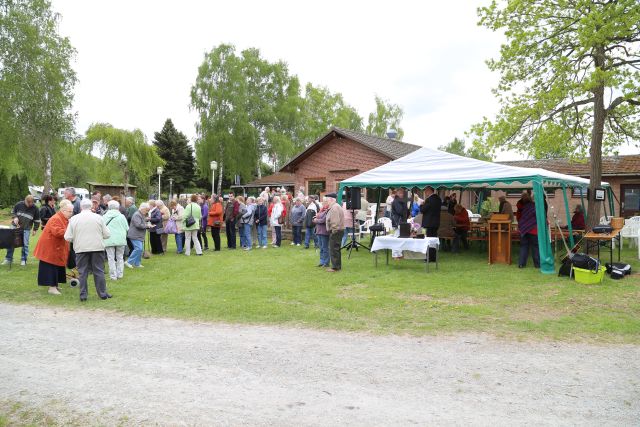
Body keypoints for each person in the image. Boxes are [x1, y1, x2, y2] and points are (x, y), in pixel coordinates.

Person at [64, 198, 111, 301]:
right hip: (97, 247)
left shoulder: (74, 219)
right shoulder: (99, 218)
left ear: (81, 207)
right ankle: (102, 294)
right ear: (91, 207)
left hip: (81, 248)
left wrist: (77, 238)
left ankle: (83, 295)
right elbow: (107, 234)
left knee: (82, 272)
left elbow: (67, 237)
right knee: (99, 270)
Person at [33, 200, 73, 295]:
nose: (71, 214)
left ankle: (56, 285)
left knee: (57, 267)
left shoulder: (63, 218)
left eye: (72, 211)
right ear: (63, 211)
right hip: (50, 248)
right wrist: (70, 231)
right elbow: (57, 232)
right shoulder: (56, 218)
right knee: (51, 267)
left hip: (57, 247)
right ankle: (52, 288)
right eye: (69, 212)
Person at [2, 195, 40, 266]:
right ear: (25, 200)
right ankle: (8, 259)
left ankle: (23, 260)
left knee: (25, 245)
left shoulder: (35, 209)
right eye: (28, 203)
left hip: (26, 229)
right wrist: (15, 217)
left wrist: (35, 229)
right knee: (10, 242)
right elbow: (13, 212)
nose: (29, 205)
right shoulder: (19, 204)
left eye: (31, 203)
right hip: (14, 227)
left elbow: (37, 220)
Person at [103, 200, 129, 281]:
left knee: (111, 258)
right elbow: (127, 228)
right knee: (120, 257)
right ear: (118, 207)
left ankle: (113, 276)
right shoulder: (122, 216)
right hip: (120, 239)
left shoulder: (104, 216)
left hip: (108, 239)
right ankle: (120, 274)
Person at [517, 192, 540, 269]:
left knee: (524, 246)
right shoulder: (534, 206)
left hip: (523, 229)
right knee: (535, 247)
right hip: (533, 230)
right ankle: (537, 264)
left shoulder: (523, 207)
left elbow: (519, 217)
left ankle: (521, 264)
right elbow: (538, 217)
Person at [126, 203, 151, 268]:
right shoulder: (137, 214)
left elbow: (141, 222)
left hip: (138, 235)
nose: (147, 212)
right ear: (142, 209)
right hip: (135, 235)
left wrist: (146, 222)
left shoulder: (140, 214)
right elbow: (138, 225)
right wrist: (147, 226)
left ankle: (137, 263)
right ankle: (128, 261)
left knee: (140, 249)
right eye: (146, 210)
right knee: (138, 249)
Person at [420, 186, 442, 262]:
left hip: (428, 223)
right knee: (433, 240)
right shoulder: (438, 199)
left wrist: (421, 204)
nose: (425, 192)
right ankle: (433, 257)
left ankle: (429, 257)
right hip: (435, 223)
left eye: (426, 191)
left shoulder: (429, 200)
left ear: (429, 190)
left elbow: (423, 210)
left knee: (428, 240)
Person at [325, 193, 344, 272]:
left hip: (336, 231)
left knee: (334, 249)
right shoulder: (335, 206)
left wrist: (334, 230)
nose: (327, 202)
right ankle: (337, 266)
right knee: (335, 249)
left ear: (332, 200)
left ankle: (335, 267)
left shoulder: (335, 207)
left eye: (328, 200)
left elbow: (335, 221)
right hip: (338, 230)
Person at [313, 199, 330, 267]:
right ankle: (322, 261)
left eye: (325, 203)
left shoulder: (328, 211)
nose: (323, 204)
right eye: (323, 203)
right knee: (321, 248)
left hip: (324, 231)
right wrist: (316, 219)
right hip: (319, 231)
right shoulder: (321, 210)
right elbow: (318, 218)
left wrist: (316, 220)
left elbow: (323, 220)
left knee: (325, 248)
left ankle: (326, 262)